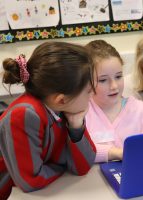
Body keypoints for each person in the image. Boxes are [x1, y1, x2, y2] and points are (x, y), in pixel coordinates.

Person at [0, 42, 96, 199]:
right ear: (61, 99)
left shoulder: (62, 109)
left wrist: (76, 126)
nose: (92, 96)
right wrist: (62, 166)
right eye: (89, 91)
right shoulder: (24, 115)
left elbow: (83, 166)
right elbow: (31, 181)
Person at [85, 40, 143, 163]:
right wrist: (115, 153)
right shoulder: (82, 112)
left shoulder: (140, 110)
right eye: (103, 80)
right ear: (87, 82)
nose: (114, 86)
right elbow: (78, 153)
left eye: (118, 77)